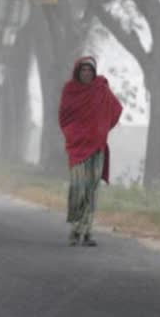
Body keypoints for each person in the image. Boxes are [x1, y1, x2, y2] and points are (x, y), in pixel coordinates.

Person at [58, 56, 123, 247]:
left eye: (89, 70)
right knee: (79, 187)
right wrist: (72, 134)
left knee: (92, 190)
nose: (86, 73)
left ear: (94, 72)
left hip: (96, 147)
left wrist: (102, 129)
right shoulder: (70, 90)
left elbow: (116, 109)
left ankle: (85, 231)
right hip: (77, 147)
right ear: (77, 72)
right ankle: (75, 227)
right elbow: (64, 117)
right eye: (83, 70)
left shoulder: (101, 89)